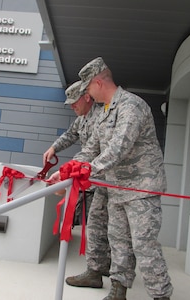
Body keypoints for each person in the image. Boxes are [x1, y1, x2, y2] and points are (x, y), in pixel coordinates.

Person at [49, 57, 173, 300]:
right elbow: (91, 149)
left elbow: (118, 148)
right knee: (119, 243)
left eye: (88, 90)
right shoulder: (104, 113)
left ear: (98, 82)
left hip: (141, 190)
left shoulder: (131, 106)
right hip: (116, 188)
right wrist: (66, 171)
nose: (87, 95)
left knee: (144, 246)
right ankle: (117, 292)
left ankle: (161, 296)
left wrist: (86, 172)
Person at [43, 81, 111, 287]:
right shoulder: (81, 119)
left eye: (74, 102)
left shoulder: (103, 117)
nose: (72, 106)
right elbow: (71, 135)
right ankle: (100, 267)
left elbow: (93, 151)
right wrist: (54, 148)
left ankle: (102, 268)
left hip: (104, 180)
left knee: (104, 227)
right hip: (90, 180)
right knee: (98, 226)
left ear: (87, 97)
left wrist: (67, 171)